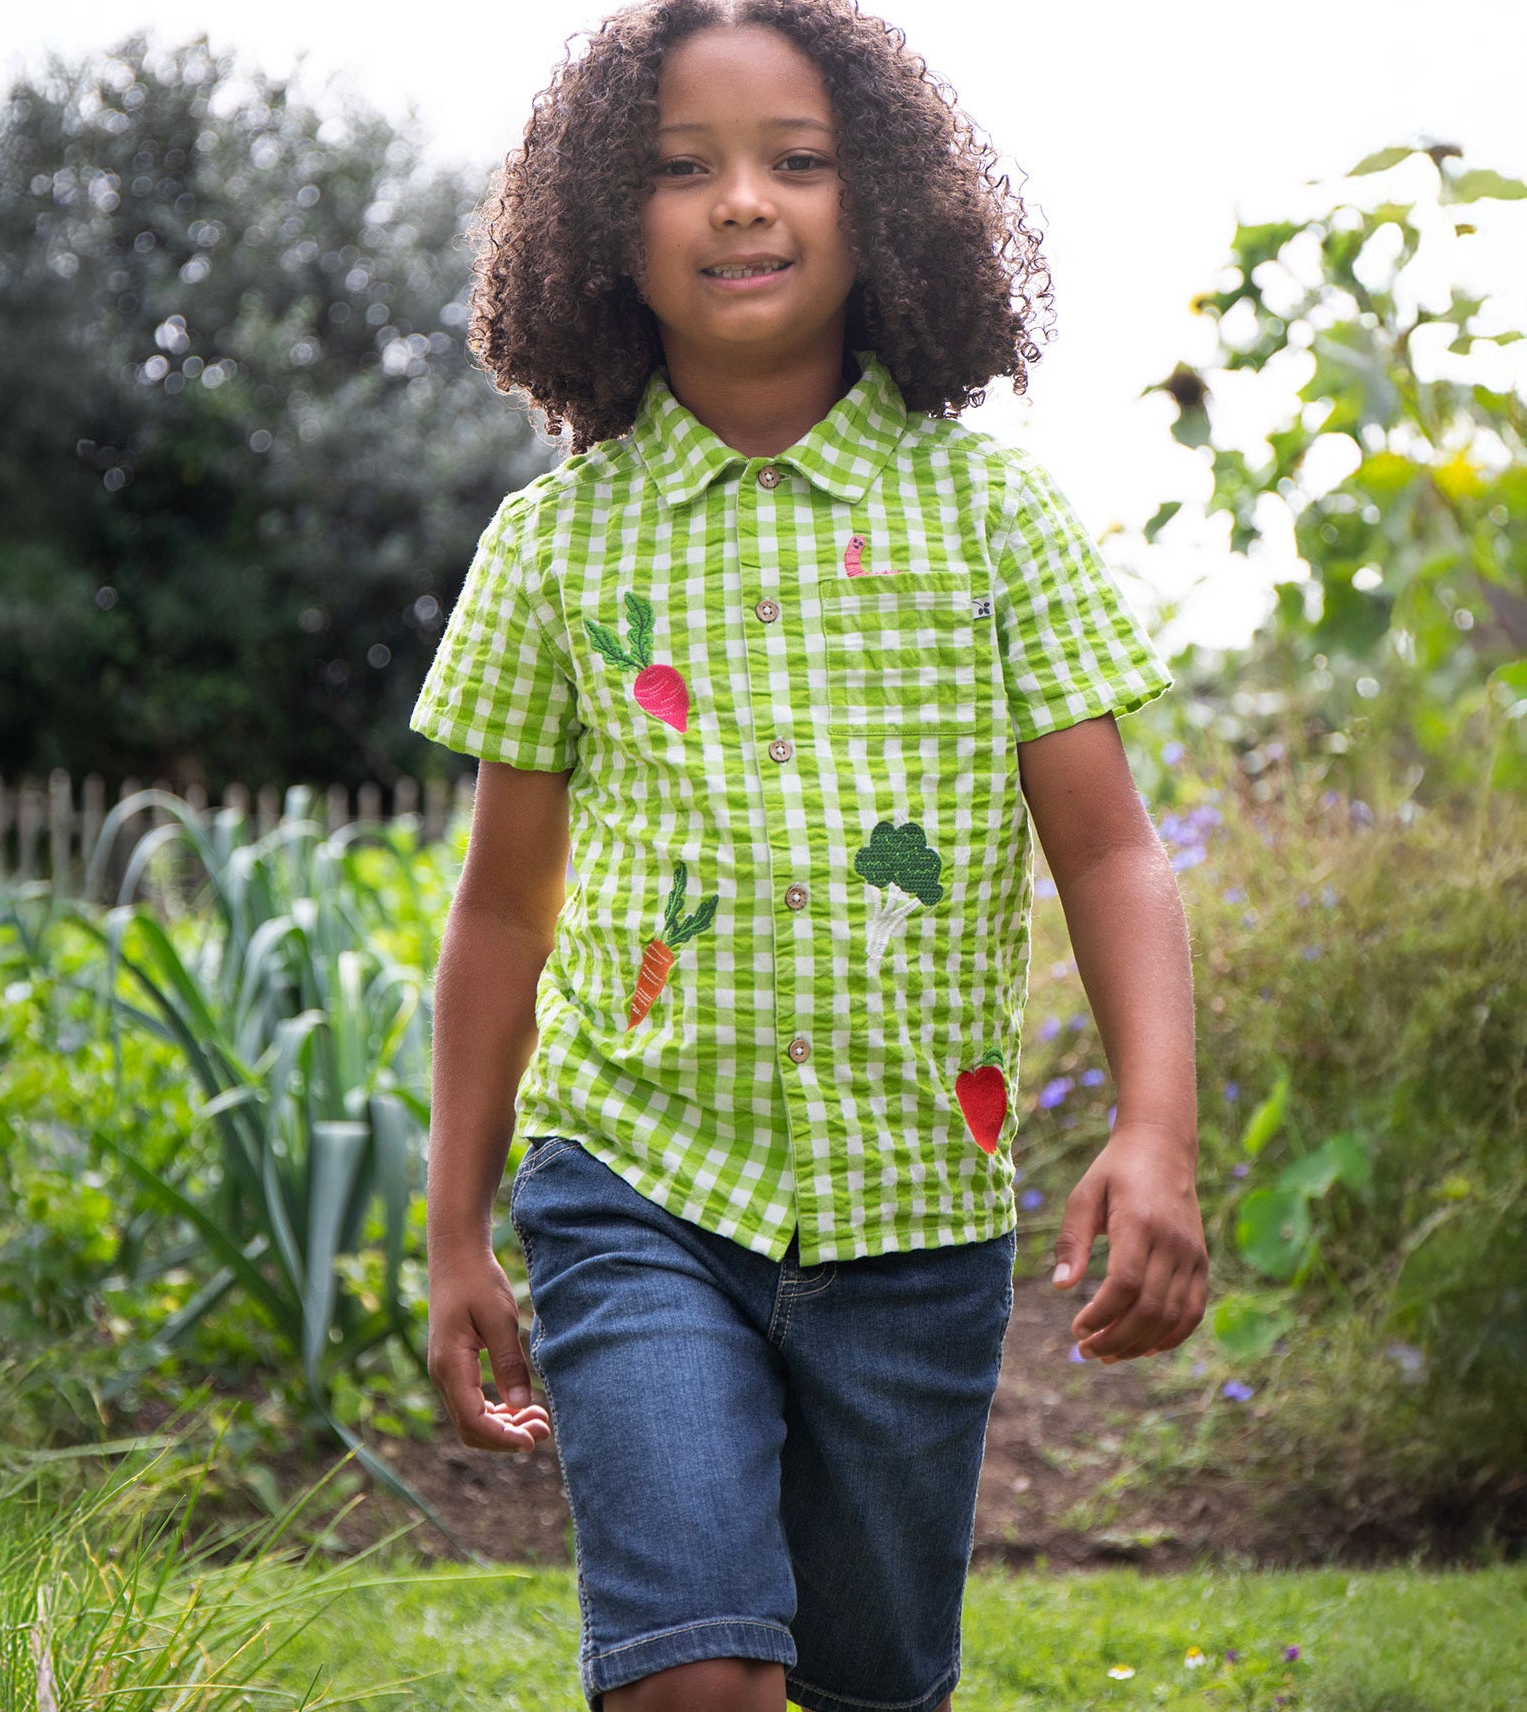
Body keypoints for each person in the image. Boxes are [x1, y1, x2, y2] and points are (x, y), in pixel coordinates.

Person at [411, 2, 1208, 1707]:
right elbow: (500, 908)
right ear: (601, 230)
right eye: (680, 169)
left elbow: (1113, 857)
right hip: (634, 1184)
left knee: (867, 1682)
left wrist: (1157, 1134)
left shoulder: (993, 515)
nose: (740, 204)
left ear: (887, 207)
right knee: (693, 1676)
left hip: (912, 1220)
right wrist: (455, 1226)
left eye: (796, 162)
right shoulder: (549, 544)